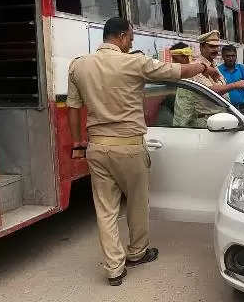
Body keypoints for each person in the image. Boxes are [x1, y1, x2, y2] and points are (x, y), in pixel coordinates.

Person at [67, 17, 215, 286]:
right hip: (129, 146)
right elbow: (177, 72)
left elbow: (73, 108)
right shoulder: (133, 62)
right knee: (136, 202)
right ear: (122, 37)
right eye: (131, 39)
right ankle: (137, 252)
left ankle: (114, 268)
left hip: (97, 147)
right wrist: (202, 65)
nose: (131, 43)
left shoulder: (78, 65)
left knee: (105, 209)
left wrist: (78, 143)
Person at [173, 30, 244, 127]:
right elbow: (210, 91)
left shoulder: (213, 66)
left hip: (217, 120)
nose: (215, 50)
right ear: (202, 47)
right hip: (205, 123)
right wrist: (235, 85)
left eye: (217, 47)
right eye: (211, 46)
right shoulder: (196, 67)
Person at [218, 44, 244, 126]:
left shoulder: (242, 69)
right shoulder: (218, 70)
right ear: (223, 57)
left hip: (243, 108)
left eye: (233, 56)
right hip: (226, 110)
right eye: (228, 56)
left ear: (236, 56)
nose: (231, 58)